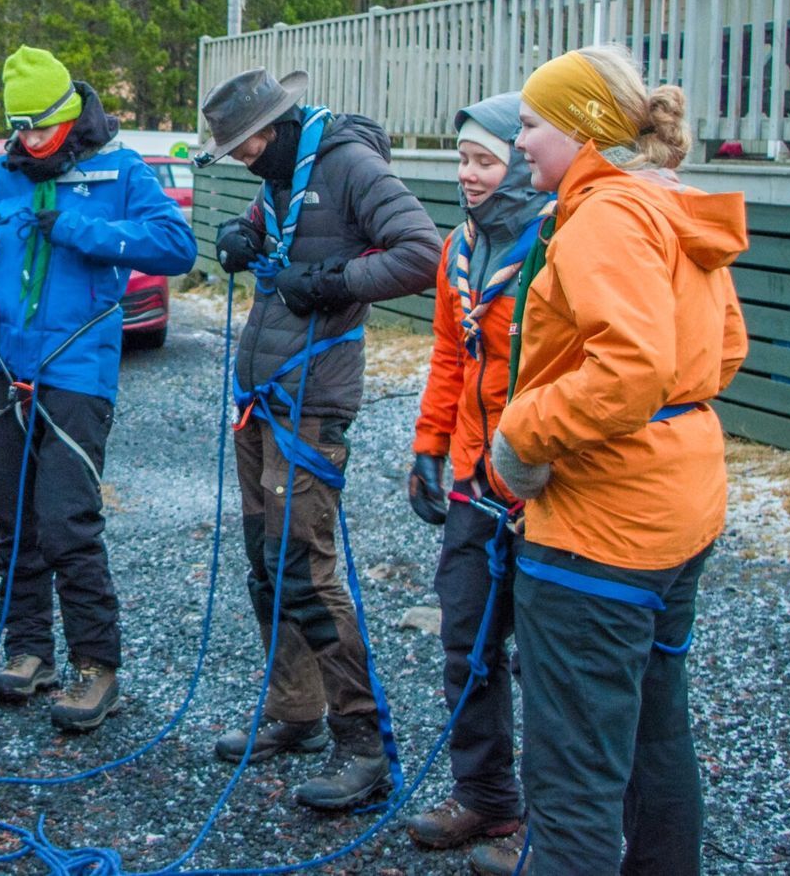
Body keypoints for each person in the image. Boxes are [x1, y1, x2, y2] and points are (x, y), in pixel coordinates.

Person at [470, 46, 747, 876]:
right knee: (657, 737)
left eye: (530, 124)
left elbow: (629, 368)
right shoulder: (670, 205)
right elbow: (724, 348)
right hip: (677, 512)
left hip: (601, 531)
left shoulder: (604, 215)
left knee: (575, 776)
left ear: (581, 128)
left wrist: (522, 436)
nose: (519, 141)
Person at [0, 45, 195, 732]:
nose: (30, 141)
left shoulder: (120, 170)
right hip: (3, 363)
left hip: (78, 370)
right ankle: (28, 650)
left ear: (70, 112)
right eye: (19, 128)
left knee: (67, 519)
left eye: (40, 127)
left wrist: (79, 229)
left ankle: (97, 666)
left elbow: (176, 247)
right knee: (12, 515)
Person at [199, 67, 440, 812]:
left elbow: (424, 253)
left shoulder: (348, 165)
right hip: (262, 395)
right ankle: (295, 711)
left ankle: (362, 743)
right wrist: (243, 235)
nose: (243, 159)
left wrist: (334, 280)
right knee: (266, 562)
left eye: (245, 146)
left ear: (273, 130)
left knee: (303, 566)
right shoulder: (280, 176)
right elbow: (275, 232)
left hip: (313, 401)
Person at [403, 94, 550, 854]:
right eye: (462, 159)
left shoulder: (554, 243)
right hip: (474, 475)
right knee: (467, 640)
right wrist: (430, 442)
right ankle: (487, 797)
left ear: (520, 165)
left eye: (485, 160)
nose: (468, 173)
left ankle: (556, 830)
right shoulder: (457, 249)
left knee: (547, 662)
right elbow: (450, 353)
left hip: (544, 487)